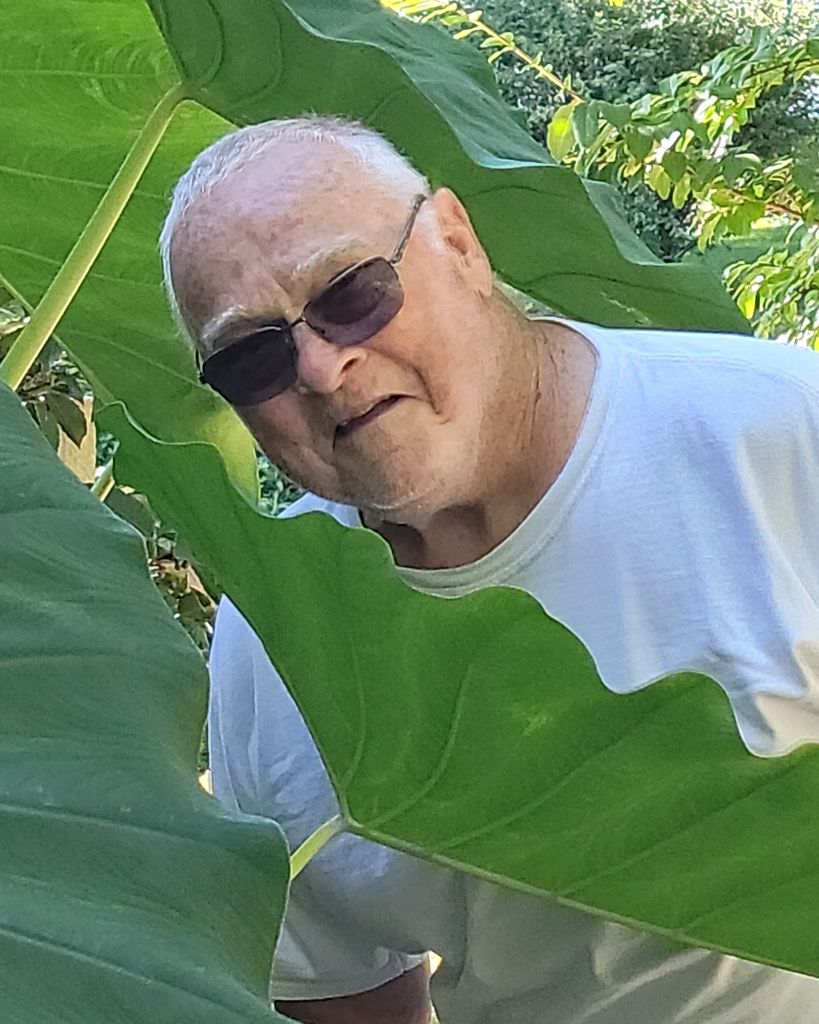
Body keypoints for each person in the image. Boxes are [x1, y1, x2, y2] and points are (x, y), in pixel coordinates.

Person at [160, 114, 819, 1023]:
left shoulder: (779, 438)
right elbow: (338, 991)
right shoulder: (280, 640)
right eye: (252, 356)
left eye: (351, 293)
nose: (320, 366)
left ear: (458, 243)